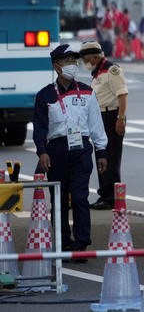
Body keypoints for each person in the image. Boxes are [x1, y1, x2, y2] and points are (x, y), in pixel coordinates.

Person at [32, 44, 108, 255]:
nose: (73, 65)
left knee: (80, 196)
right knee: (59, 198)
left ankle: (82, 241)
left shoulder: (87, 92)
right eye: (68, 61)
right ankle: (63, 241)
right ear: (57, 66)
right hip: (56, 150)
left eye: (74, 61)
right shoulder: (45, 96)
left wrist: (101, 153)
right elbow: (39, 127)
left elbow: (96, 125)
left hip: (82, 148)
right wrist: (42, 151)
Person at [79, 40, 128, 211]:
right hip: (101, 117)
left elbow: (122, 95)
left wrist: (120, 119)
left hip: (112, 116)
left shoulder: (112, 70)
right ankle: (104, 194)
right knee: (102, 156)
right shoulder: (98, 72)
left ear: (94, 56)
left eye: (86, 58)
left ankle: (111, 197)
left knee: (111, 158)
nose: (85, 62)